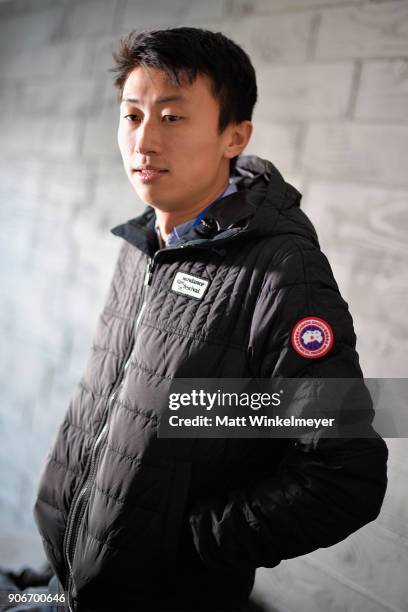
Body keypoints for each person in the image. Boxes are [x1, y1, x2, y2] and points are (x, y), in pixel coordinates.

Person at [31, 27, 388, 612]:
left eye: (171, 118)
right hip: (68, 579)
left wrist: (183, 546)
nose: (143, 141)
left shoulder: (282, 269)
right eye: (131, 116)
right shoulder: (143, 243)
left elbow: (344, 476)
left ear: (234, 136)